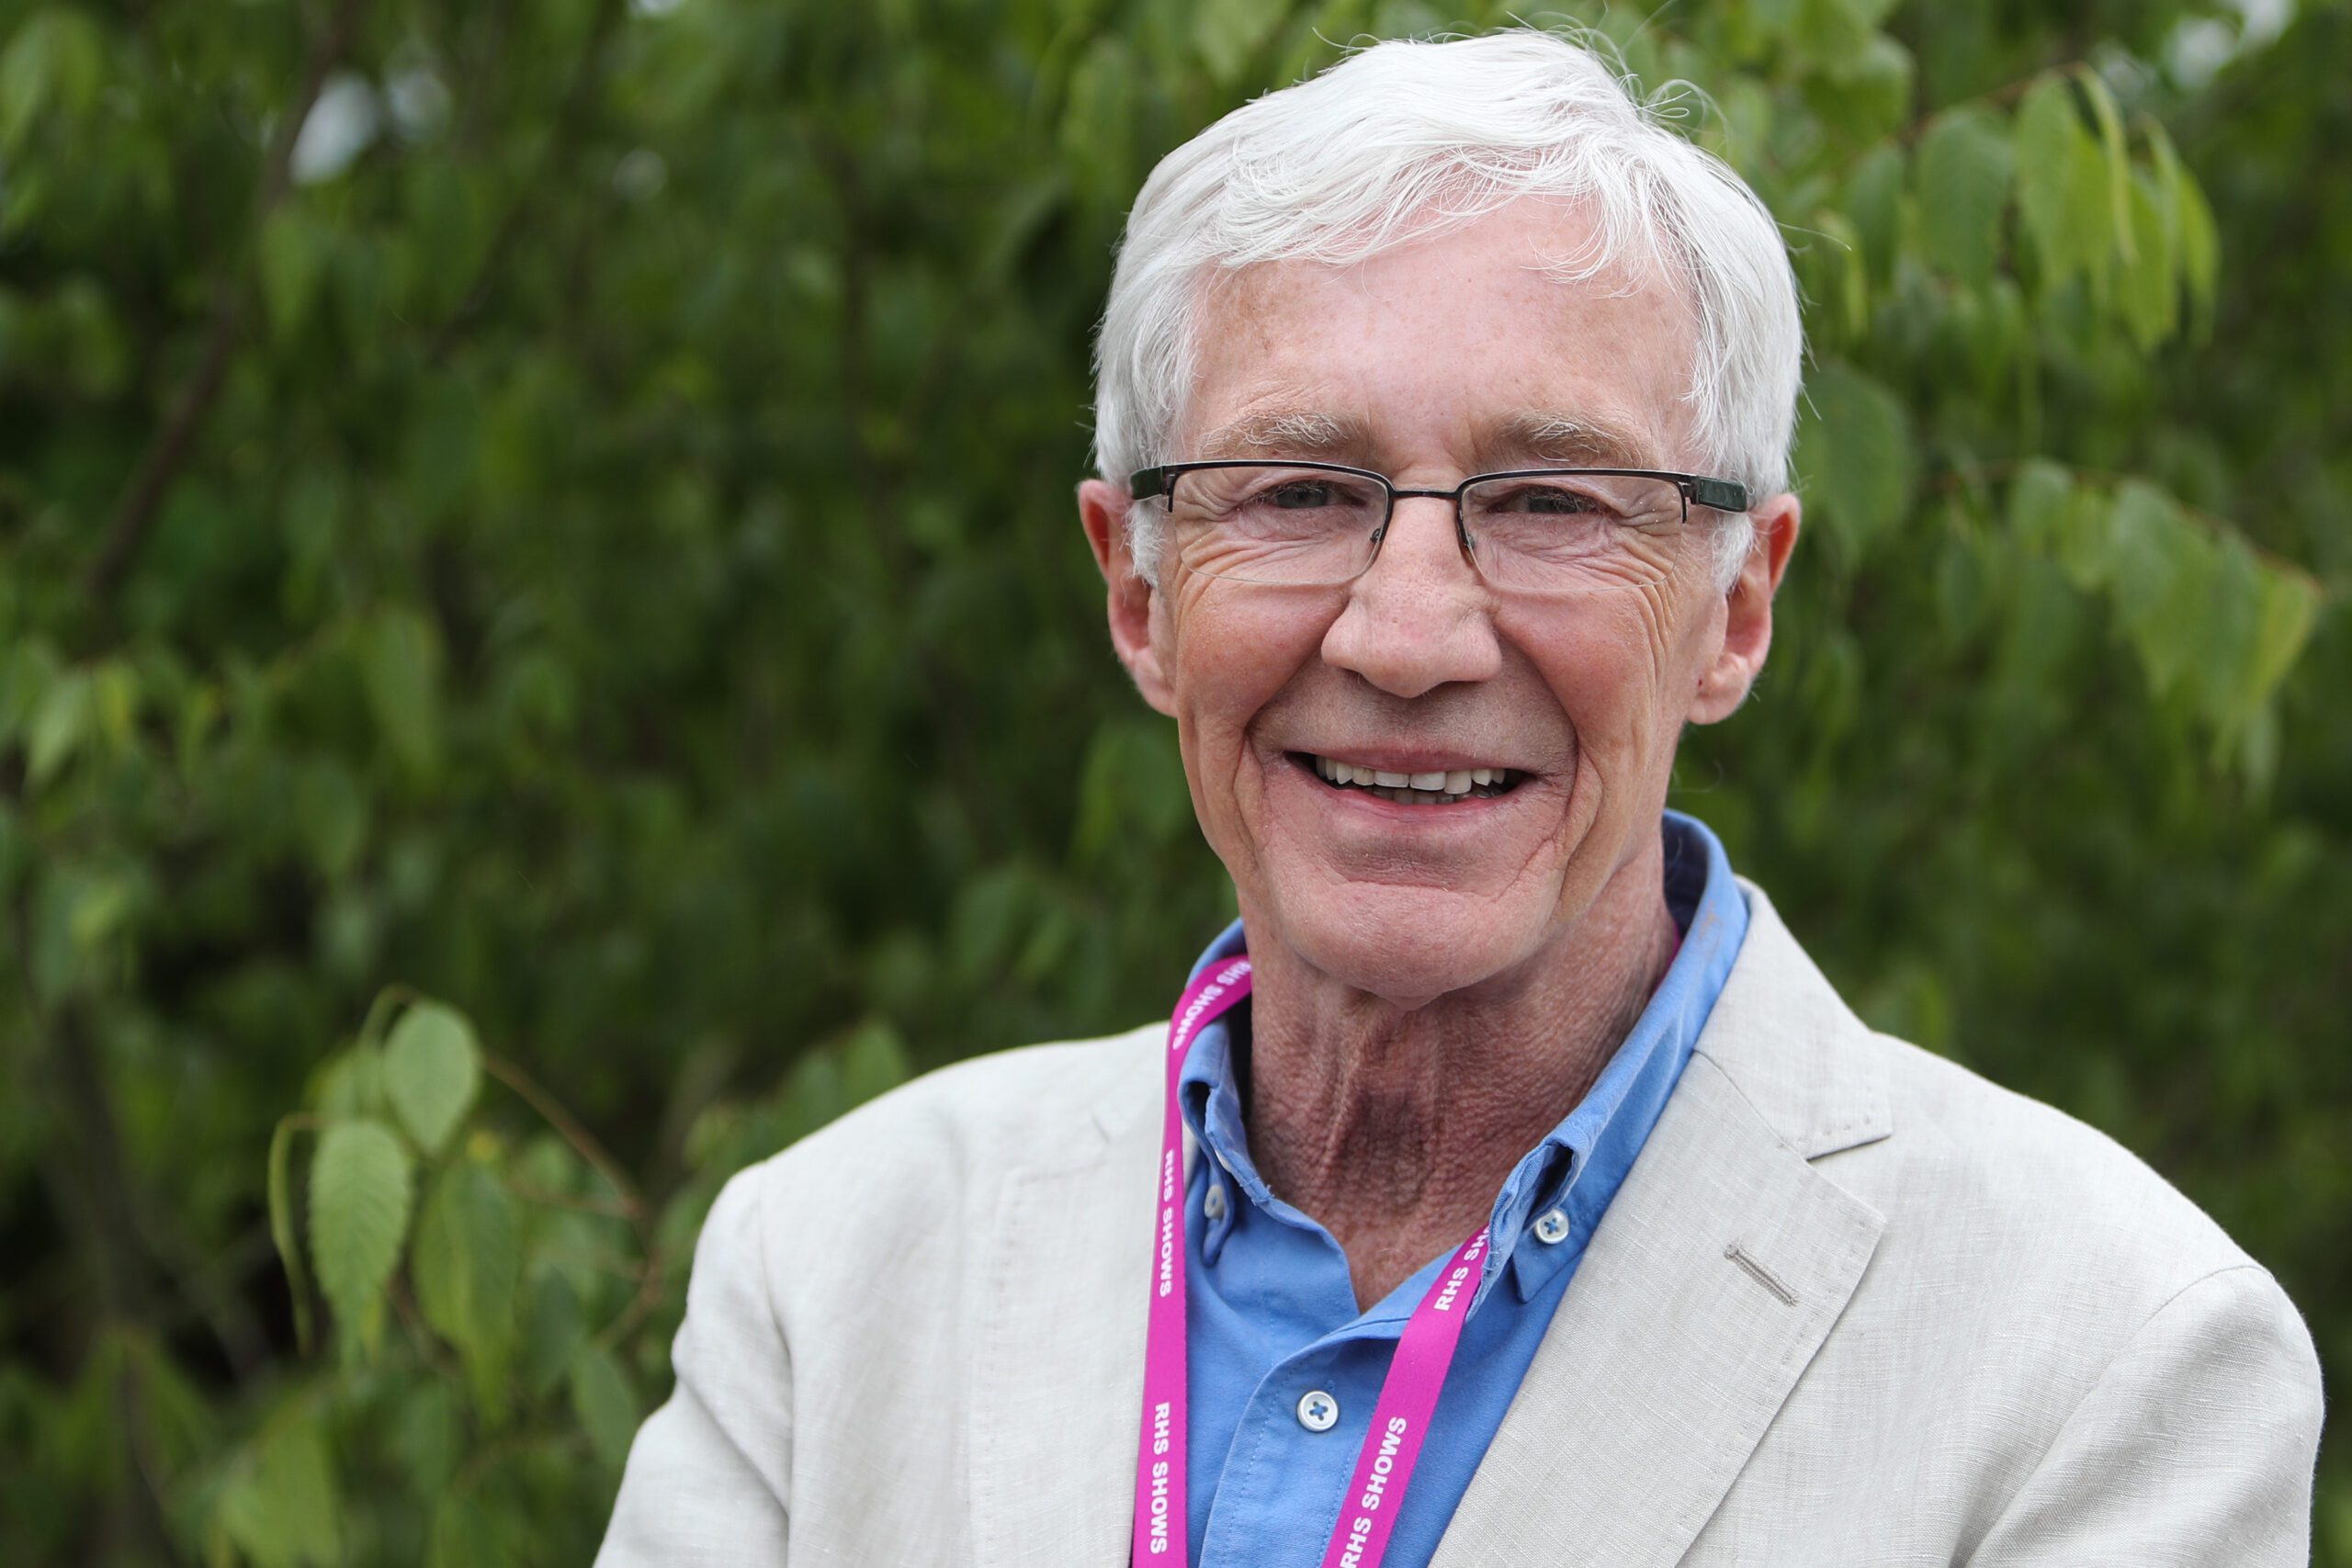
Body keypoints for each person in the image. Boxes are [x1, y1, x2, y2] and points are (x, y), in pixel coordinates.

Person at [595, 29, 2322, 1567]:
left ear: (1736, 607)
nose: (1410, 634)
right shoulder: (825, 1275)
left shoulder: (2111, 1358)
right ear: (1138, 595)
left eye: (1559, 503)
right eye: (1297, 488)